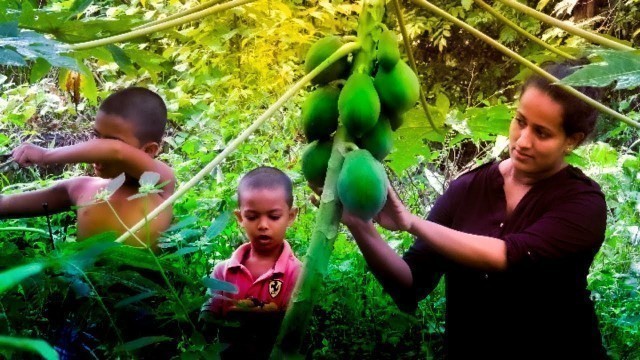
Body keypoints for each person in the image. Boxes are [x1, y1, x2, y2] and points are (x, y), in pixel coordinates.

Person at [344, 63, 609, 359]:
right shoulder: (467, 189)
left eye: (542, 133)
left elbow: (510, 255)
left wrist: (411, 222)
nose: (522, 141)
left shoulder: (583, 205)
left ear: (572, 140)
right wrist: (358, 223)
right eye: (520, 121)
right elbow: (410, 284)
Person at [0, 87, 175, 248]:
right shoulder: (81, 188)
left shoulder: (160, 183)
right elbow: (5, 205)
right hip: (84, 282)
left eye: (109, 141)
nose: (97, 150)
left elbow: (116, 151)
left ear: (148, 150)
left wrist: (46, 155)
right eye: (96, 136)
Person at [201, 166, 302, 359]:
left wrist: (240, 314)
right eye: (252, 216)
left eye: (274, 217)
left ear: (290, 216)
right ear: (240, 217)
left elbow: (293, 330)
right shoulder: (223, 272)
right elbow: (208, 319)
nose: (263, 225)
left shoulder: (296, 273)